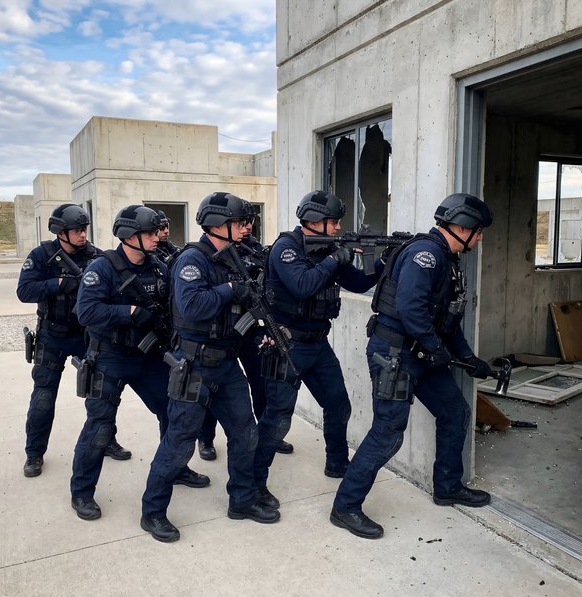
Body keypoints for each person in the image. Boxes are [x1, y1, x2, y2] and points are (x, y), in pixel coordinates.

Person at [331, 193, 494, 539]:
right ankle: (345, 507)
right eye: (478, 232)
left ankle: (447, 486)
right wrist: (437, 350)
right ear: (462, 227)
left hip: (420, 353)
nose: (480, 239)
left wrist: (469, 359)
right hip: (395, 355)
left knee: (455, 412)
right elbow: (410, 307)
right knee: (388, 432)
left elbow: (448, 320)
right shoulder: (427, 255)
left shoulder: (449, 260)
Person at [141, 192, 280, 543]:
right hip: (195, 364)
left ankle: (242, 500)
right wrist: (231, 289)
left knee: (245, 432)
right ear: (219, 225)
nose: (246, 228)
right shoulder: (193, 259)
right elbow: (191, 306)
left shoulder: (234, 255)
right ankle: (152, 512)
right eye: (239, 223)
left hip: (227, 363)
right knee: (179, 442)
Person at [69, 205, 209, 521]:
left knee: (173, 414)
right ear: (129, 236)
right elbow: (86, 312)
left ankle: (177, 467)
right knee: (100, 427)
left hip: (148, 356)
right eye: (149, 233)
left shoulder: (158, 267)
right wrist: (130, 312)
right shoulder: (102, 268)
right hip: (110, 357)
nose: (157, 237)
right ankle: (81, 492)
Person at [252, 190, 383, 510]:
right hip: (288, 344)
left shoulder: (328, 248)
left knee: (338, 405)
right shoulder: (286, 248)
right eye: (334, 222)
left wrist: (381, 262)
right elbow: (302, 285)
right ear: (314, 221)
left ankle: (337, 462)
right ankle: (253, 484)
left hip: (318, 344)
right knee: (277, 418)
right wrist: (334, 257)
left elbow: (358, 283)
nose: (339, 228)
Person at [16, 203, 130, 478]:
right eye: (77, 230)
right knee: (44, 397)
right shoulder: (42, 255)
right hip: (51, 337)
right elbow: (24, 290)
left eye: (85, 229)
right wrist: (56, 285)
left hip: (85, 336)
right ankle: (34, 453)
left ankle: (106, 441)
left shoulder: (96, 256)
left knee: (101, 396)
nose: (83, 235)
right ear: (61, 232)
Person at [196, 199, 294, 461]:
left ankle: (265, 434)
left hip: (248, 328)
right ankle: (206, 438)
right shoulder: (206, 253)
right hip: (219, 332)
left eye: (249, 222)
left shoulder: (251, 249)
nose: (247, 227)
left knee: (261, 382)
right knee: (210, 392)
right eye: (241, 223)